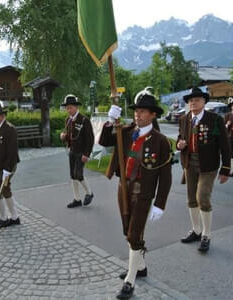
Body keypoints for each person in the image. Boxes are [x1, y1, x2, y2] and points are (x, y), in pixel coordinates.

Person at [99, 89, 172, 299]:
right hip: (124, 188)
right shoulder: (125, 131)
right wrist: (110, 120)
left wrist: (160, 203)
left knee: (133, 234)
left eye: (142, 112)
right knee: (127, 231)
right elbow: (104, 140)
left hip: (143, 193)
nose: (137, 115)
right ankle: (140, 267)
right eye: (136, 111)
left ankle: (130, 280)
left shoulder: (160, 141)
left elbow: (165, 177)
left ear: (153, 115)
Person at [177, 87, 231, 252]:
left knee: (203, 198)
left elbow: (225, 145)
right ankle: (196, 230)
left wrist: (225, 168)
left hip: (208, 165)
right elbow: (181, 137)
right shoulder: (184, 119)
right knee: (191, 199)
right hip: (189, 163)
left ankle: (206, 234)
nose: (193, 103)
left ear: (204, 102)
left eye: (197, 100)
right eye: (191, 100)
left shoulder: (215, 119)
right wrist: (180, 143)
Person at [60, 94, 94, 208]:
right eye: (67, 108)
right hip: (72, 151)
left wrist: (86, 154)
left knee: (78, 174)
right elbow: (69, 137)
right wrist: (64, 137)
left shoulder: (84, 120)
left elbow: (90, 139)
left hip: (81, 152)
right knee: (72, 176)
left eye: (71, 107)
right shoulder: (68, 121)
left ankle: (90, 193)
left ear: (76, 107)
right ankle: (77, 199)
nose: (69, 110)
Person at [224, 97, 233, 176]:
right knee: (230, 154)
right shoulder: (227, 115)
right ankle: (230, 170)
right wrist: (227, 125)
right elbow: (223, 128)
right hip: (230, 138)